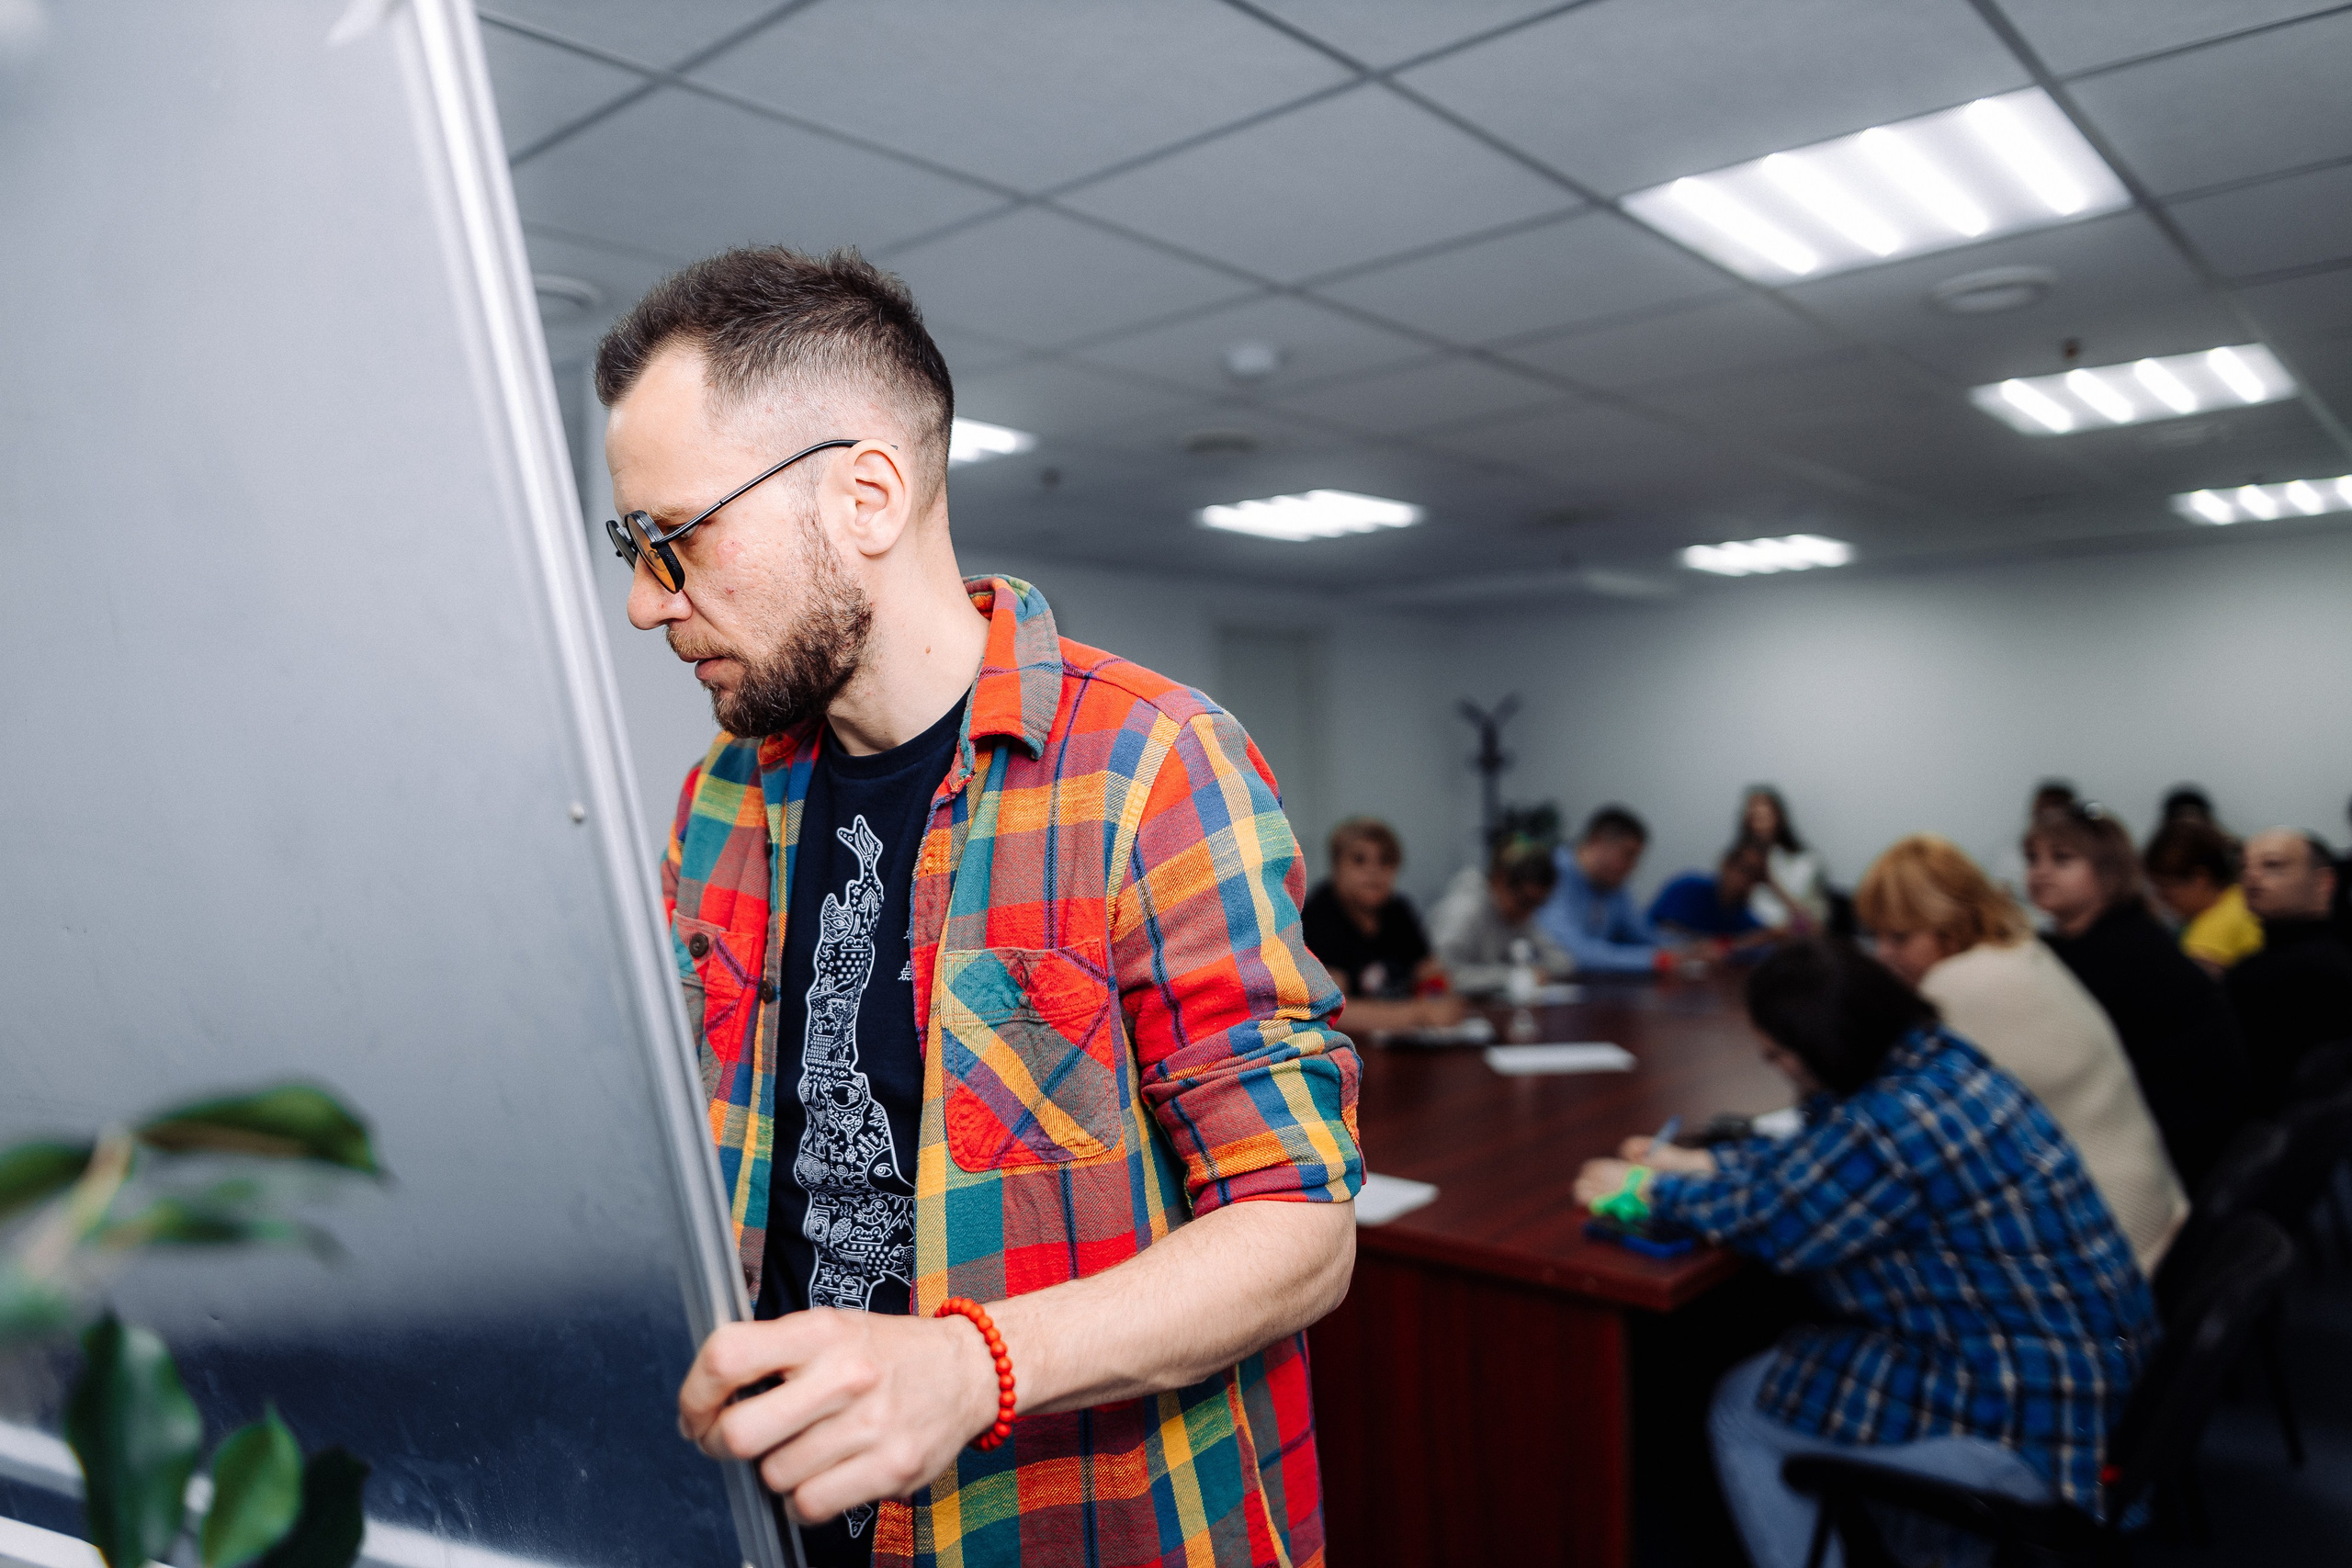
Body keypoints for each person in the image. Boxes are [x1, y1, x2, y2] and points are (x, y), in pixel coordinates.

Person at [598, 246, 1361, 1566]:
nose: (643, 600)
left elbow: (1301, 1229)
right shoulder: (721, 797)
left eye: (678, 540)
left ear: (868, 495)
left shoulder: (1153, 767)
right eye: (633, 545)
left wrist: (973, 1366)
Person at [1573, 940, 2154, 1568]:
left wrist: (1642, 1190)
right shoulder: (1940, 1061)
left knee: (1740, 1409)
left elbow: (1776, 1221)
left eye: (1779, 1053)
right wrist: (1706, 1158)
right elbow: (1822, 1159)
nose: (1778, 1067)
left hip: (2033, 1416)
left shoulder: (1886, 1126)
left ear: (1825, 1044)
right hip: (2086, 1372)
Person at [1856, 835, 2187, 1273]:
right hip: (2153, 1215)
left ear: (1950, 925)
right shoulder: (2020, 951)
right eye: (1876, 937)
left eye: (1900, 937)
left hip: (2112, 1251)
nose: (1883, 955)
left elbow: (1898, 1135)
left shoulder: (1958, 983)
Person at [2026, 805, 2247, 1190]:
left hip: (2180, 1147)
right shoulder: (2117, 931)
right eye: (2033, 859)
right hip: (2191, 1131)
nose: (2040, 872)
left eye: (2062, 859)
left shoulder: (2115, 950)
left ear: (2108, 872)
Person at [1299, 818, 1466, 1034]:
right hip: (1344, 1052)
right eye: (1359, 860)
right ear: (1337, 867)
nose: (1374, 871)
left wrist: (1433, 998)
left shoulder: (1398, 910)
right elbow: (1330, 1012)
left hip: (1405, 1042)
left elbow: (1432, 974)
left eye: (1385, 860)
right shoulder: (1319, 914)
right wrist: (1419, 1013)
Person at [2227, 828, 2352, 1111]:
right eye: (2244, 866)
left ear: (2325, 882)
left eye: (2273, 865)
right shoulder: (2259, 967)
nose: (2252, 876)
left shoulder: (2309, 969)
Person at [1429, 837, 1576, 991]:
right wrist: (1512, 977)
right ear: (1499, 880)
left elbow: (1563, 963)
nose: (1528, 913)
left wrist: (1529, 973)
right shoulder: (1464, 910)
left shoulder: (1520, 914)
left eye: (1538, 905)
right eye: (1525, 901)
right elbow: (1437, 977)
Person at [1534, 806, 1664, 975]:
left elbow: (1642, 934)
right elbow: (1572, 953)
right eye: (1628, 855)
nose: (1633, 867)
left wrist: (1687, 949)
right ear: (1596, 842)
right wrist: (1658, 960)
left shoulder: (1612, 884)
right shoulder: (1550, 874)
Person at [2143, 818, 2263, 974]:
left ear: (2200, 879)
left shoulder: (2205, 939)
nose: (2162, 900)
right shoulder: (2245, 898)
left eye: (2166, 890)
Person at [1646, 842, 1773, 951]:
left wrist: (1774, 885)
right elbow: (1662, 935)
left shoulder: (1739, 914)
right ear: (1725, 864)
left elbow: (1774, 937)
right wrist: (1733, 945)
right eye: (1744, 870)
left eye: (1756, 876)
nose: (1747, 880)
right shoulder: (1688, 888)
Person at [1736, 785, 1828, 931]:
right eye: (1753, 818)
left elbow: (1806, 921)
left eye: (1764, 818)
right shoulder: (1742, 858)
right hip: (1751, 932)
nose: (1758, 826)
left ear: (1779, 819)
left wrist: (1768, 879)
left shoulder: (1807, 862)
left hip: (1790, 937)